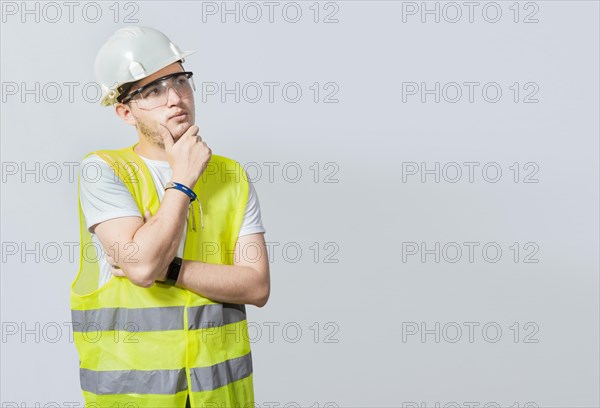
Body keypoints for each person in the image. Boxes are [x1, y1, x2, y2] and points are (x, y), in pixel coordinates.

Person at [70, 26, 270, 408]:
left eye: (180, 80)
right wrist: (181, 181)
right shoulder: (104, 170)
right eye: (153, 90)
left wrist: (171, 268)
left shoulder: (231, 175)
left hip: (221, 396)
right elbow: (143, 268)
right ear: (125, 111)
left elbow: (256, 287)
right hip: (136, 399)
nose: (175, 98)